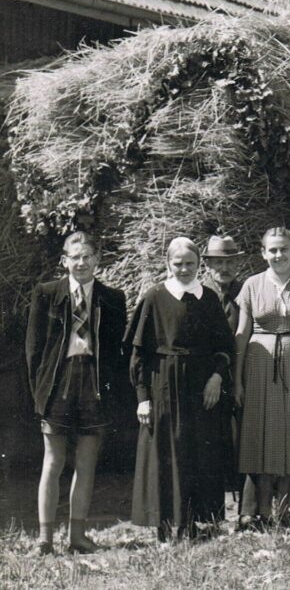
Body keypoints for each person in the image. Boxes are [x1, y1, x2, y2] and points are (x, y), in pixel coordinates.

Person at [25, 231, 127, 555]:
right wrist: (40, 392)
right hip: (59, 382)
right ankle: (45, 539)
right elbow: (34, 350)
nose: (81, 263)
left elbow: (114, 352)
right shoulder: (47, 294)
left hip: (94, 383)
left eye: (87, 256)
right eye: (75, 257)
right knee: (52, 461)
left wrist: (108, 391)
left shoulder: (112, 298)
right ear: (64, 261)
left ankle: (77, 536)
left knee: (86, 463)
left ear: (97, 259)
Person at [128, 237, 235, 541]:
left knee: (197, 451)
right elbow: (138, 353)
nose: (184, 269)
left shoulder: (209, 299)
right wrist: (143, 398)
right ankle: (164, 527)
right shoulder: (154, 297)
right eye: (178, 264)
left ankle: (190, 524)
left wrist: (217, 377)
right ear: (168, 264)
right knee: (167, 451)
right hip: (164, 384)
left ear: (199, 264)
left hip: (201, 387)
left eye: (190, 263)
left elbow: (225, 346)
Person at [235, 227, 290, 529]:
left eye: (283, 249)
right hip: (259, 363)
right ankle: (260, 509)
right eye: (272, 250)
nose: (278, 255)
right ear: (263, 253)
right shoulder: (251, 284)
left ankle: (283, 509)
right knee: (259, 433)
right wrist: (237, 379)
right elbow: (242, 334)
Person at [200, 235, 253, 526]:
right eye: (218, 262)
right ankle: (211, 511)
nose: (225, 267)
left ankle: (246, 510)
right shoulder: (198, 295)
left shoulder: (247, 292)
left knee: (245, 441)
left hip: (241, 377)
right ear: (207, 265)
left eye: (230, 261)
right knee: (210, 443)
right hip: (208, 381)